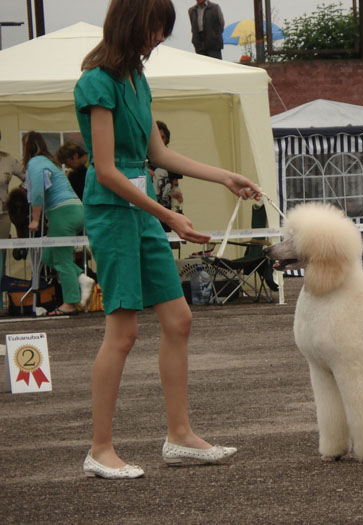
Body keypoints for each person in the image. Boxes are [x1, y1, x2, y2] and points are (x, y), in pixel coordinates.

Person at [74, 0, 261, 479]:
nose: (160, 37)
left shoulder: (137, 79)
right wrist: (169, 217)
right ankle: (100, 449)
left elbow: (157, 153)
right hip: (113, 212)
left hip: (140, 211)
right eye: (157, 27)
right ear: (133, 22)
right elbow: (106, 170)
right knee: (123, 332)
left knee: (178, 319)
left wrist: (224, 176)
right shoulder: (96, 81)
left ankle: (179, 436)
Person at [23, 131, 95, 315]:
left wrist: (36, 219)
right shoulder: (48, 162)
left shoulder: (35, 163)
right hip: (74, 210)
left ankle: (70, 303)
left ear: (26, 148)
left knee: (62, 260)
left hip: (62, 213)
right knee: (48, 257)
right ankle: (82, 277)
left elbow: (37, 191)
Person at [0, 131, 26, 310]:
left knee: (0, 258)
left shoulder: (9, 160)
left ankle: (1, 303)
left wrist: (20, 197)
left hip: (3, 215)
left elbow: (28, 178)